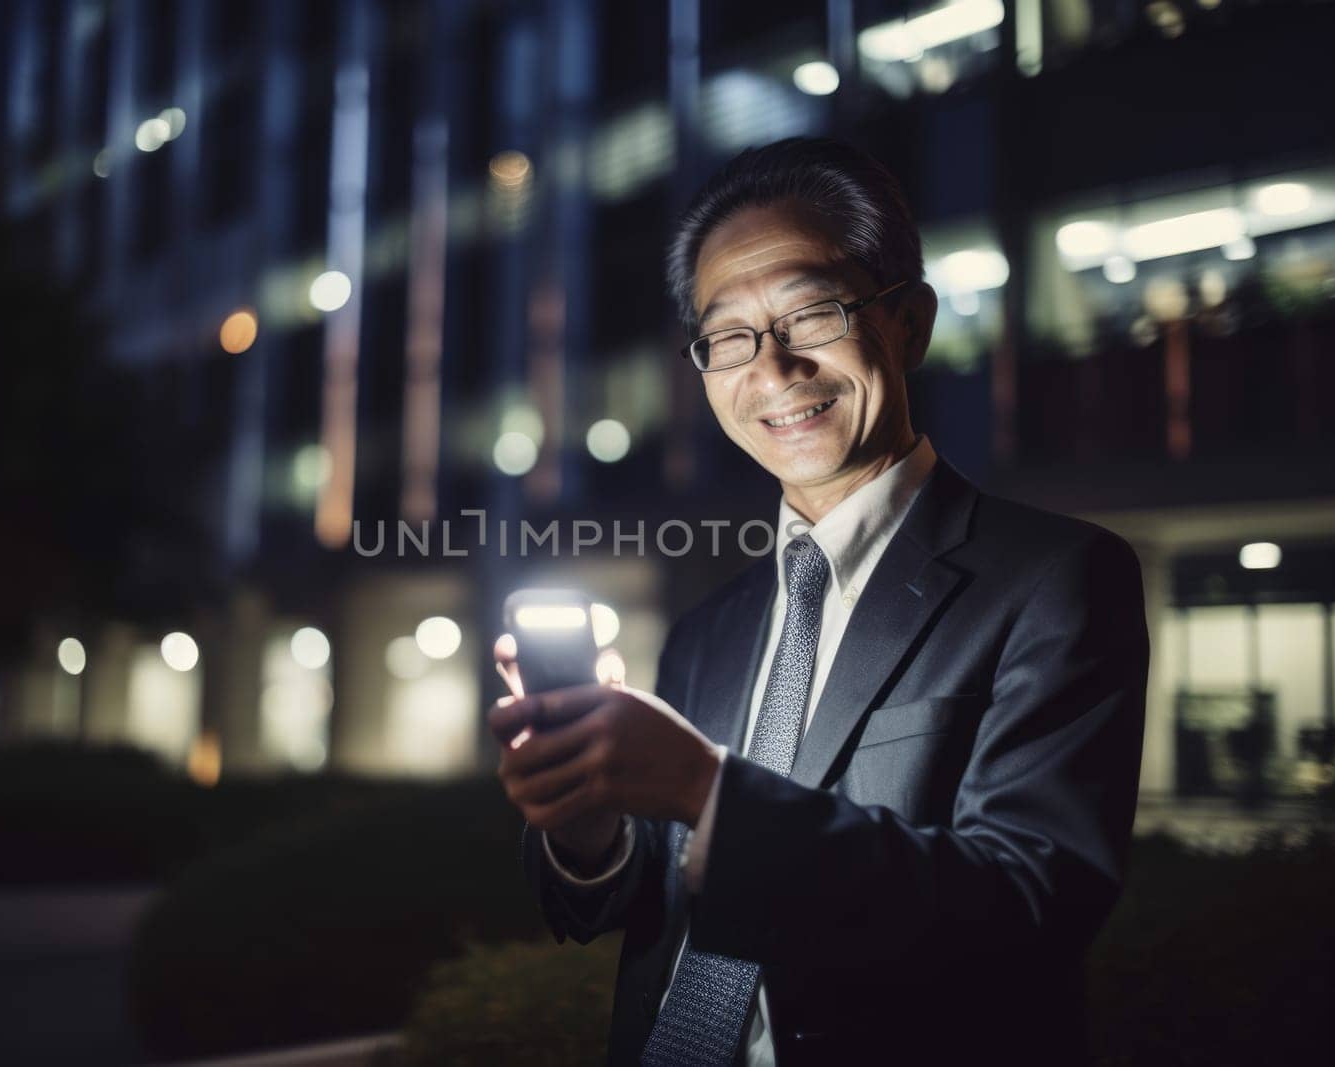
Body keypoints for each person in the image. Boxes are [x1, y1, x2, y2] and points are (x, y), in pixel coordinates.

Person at [488, 137, 1149, 1066]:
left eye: (814, 312)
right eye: (729, 337)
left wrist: (708, 791)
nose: (774, 368)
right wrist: (587, 816)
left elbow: (1032, 899)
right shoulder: (705, 633)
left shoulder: (1056, 578)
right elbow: (630, 910)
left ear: (908, 321)